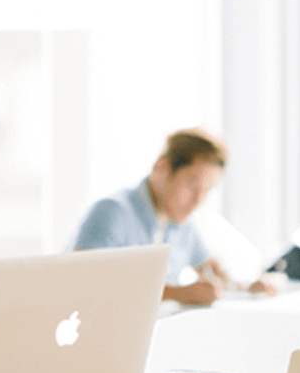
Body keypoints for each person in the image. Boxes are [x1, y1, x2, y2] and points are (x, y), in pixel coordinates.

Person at [71, 128, 276, 305]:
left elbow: (213, 273)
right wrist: (178, 293)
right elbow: (83, 283)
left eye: (207, 190)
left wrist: (246, 288)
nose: (198, 201)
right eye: (193, 186)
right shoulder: (112, 212)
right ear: (162, 169)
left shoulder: (183, 226)